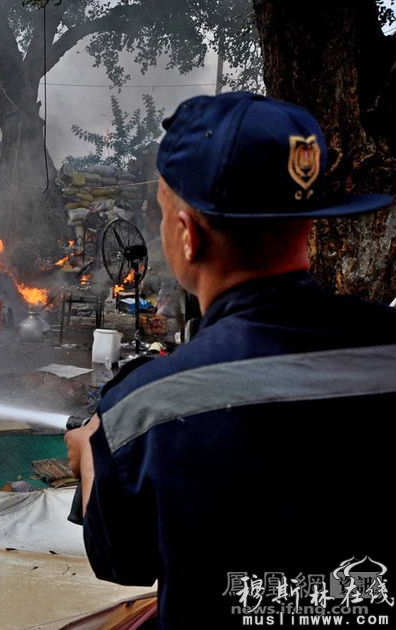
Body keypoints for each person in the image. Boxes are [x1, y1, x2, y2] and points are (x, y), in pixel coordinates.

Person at [65, 91, 396, 628]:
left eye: (162, 211)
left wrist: (93, 460)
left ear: (187, 235)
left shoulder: (141, 412)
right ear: (308, 223)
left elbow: (122, 561)